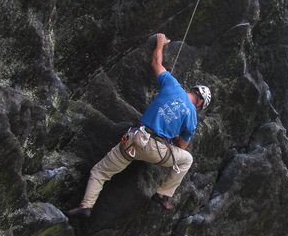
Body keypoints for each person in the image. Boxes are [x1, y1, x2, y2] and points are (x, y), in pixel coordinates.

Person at [68, 33, 211, 217]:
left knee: (100, 171)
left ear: (192, 91)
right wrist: (173, 133)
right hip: (156, 150)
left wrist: (160, 43)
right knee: (187, 159)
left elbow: (156, 63)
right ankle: (163, 194)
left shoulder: (173, 85)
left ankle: (86, 206)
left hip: (134, 139)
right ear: (200, 104)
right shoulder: (192, 116)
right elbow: (181, 147)